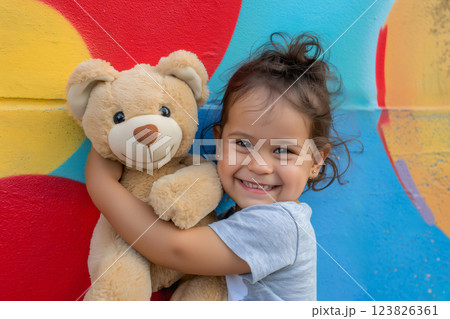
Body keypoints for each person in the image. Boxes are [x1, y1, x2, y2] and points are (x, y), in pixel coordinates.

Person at [84, 33, 352, 301]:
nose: (259, 166)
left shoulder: (281, 226)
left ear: (316, 160)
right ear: (219, 141)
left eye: (283, 151)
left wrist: (102, 185)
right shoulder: (233, 220)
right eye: (243, 144)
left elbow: (174, 250)